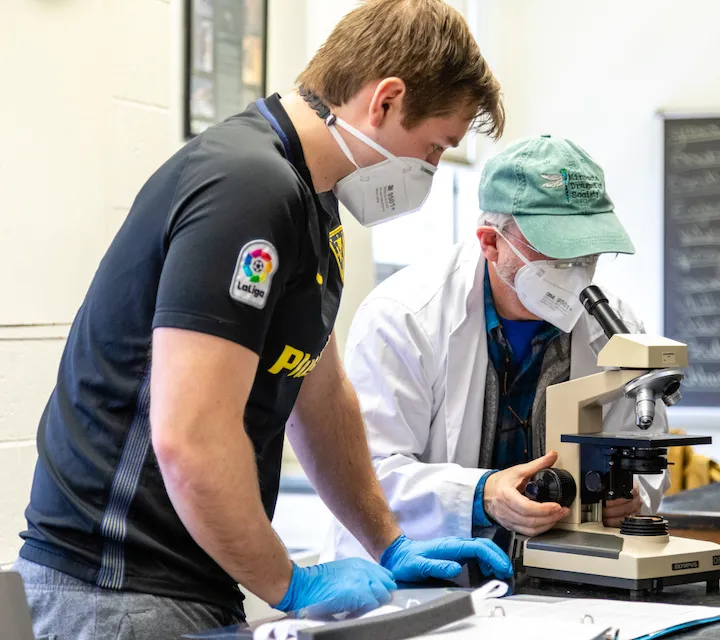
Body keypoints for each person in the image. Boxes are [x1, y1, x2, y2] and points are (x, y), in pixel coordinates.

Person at [14, 2, 513, 639]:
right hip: (116, 589)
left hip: (191, 579)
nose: (430, 172)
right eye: (433, 150)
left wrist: (389, 542)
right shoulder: (248, 185)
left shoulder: (313, 204)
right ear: (384, 102)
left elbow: (322, 396)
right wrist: (289, 583)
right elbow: (188, 437)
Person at [324, 135, 671, 562]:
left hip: (562, 577)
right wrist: (481, 494)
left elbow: (647, 454)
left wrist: (631, 494)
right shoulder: (404, 316)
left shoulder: (613, 325)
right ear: (490, 242)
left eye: (590, 252)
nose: (578, 270)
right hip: (423, 578)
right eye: (559, 254)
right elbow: (365, 476)